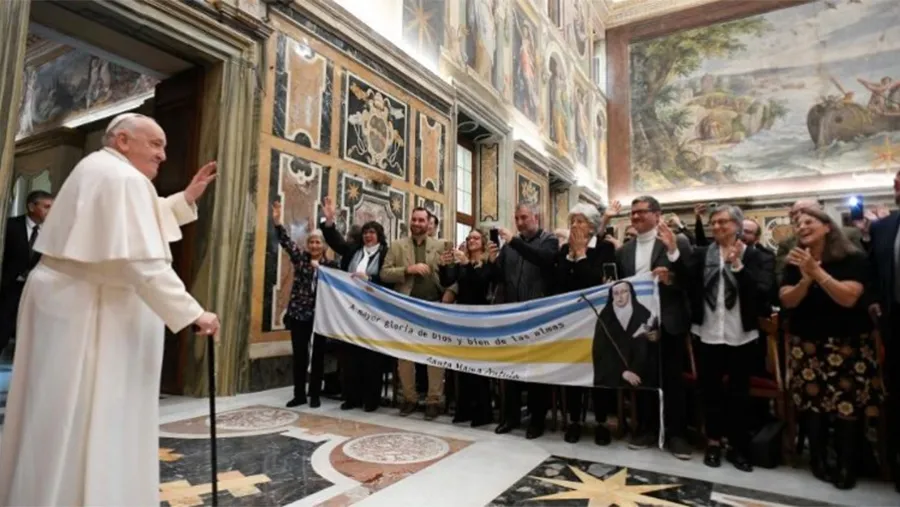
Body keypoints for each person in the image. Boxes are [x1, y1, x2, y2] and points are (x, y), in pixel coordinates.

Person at [0, 113, 220, 506]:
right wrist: (193, 313)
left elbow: (135, 223)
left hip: (70, 302)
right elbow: (141, 261)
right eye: (156, 144)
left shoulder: (100, 169)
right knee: (86, 413)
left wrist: (185, 199)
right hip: (85, 312)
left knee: (58, 410)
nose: (163, 155)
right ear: (122, 140)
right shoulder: (122, 178)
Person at [780, 207, 879, 490]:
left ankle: (847, 466)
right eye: (798, 224)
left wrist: (817, 272)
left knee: (847, 405)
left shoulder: (853, 258)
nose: (802, 227)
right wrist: (805, 278)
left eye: (809, 222)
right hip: (807, 344)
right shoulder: (794, 261)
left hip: (847, 344)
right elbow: (787, 300)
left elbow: (848, 298)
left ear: (827, 227)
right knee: (814, 405)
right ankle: (819, 461)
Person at [685, 205, 772, 472]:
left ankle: (738, 447)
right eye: (714, 222)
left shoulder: (756, 257)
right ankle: (713, 442)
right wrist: (674, 255)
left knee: (739, 395)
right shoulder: (703, 254)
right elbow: (687, 280)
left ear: (737, 225)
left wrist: (737, 266)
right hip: (708, 332)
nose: (718, 227)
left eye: (723, 222)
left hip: (740, 334)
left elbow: (763, 292)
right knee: (710, 392)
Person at [614, 195, 693, 458]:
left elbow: (691, 279)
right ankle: (647, 428)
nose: (635, 217)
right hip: (640, 325)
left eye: (641, 212)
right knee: (644, 379)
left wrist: (671, 274)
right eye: (632, 213)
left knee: (672, 380)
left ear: (657, 215)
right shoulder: (624, 250)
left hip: (669, 321)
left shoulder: (676, 242)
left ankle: (677, 434)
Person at [488, 202, 559, 439]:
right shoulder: (509, 248)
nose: (519, 223)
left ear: (535, 217)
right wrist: (492, 261)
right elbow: (501, 278)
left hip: (538, 316)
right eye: (516, 218)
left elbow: (544, 260)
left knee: (537, 370)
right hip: (513, 315)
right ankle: (510, 417)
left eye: (524, 218)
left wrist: (514, 242)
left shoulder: (548, 240)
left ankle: (537, 419)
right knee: (512, 368)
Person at [553, 204, 617, 445]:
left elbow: (597, 284)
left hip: (598, 321)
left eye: (580, 221)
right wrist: (571, 257)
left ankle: (601, 422)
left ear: (592, 226)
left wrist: (580, 255)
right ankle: (574, 421)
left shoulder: (604, 249)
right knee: (574, 372)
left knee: (598, 374)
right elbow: (559, 285)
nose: (575, 226)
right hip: (571, 323)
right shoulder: (562, 253)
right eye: (572, 222)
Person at [319, 196, 390, 412]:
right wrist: (329, 220)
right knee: (350, 356)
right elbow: (335, 241)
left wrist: (370, 280)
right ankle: (351, 397)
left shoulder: (387, 254)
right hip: (350, 310)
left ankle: (371, 399)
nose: (368, 235)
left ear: (379, 236)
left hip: (374, 311)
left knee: (371, 357)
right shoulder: (353, 251)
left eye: (372, 232)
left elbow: (389, 278)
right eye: (366, 232)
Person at [380, 207, 447, 419]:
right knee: (405, 355)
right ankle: (409, 398)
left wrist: (449, 292)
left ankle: (434, 400)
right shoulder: (397, 246)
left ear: (429, 224)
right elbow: (384, 273)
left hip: (434, 307)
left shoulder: (441, 245)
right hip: (406, 307)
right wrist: (407, 270)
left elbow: (451, 275)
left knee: (434, 355)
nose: (417, 223)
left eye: (422, 220)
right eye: (414, 219)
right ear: (410, 222)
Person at [272, 202, 337, 408]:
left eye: (318, 243)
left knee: (317, 355)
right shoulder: (301, 259)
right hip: (299, 314)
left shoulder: (331, 267)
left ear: (324, 246)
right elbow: (286, 242)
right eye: (312, 243)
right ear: (308, 245)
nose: (315, 246)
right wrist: (277, 222)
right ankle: (299, 393)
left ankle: (315, 394)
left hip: (320, 316)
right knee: (299, 355)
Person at [866, 169, 900, 491]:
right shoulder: (884, 227)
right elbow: (874, 271)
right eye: (896, 184)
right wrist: (875, 300)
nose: (896, 188)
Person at [439, 228, 493, 427]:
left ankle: (482, 412)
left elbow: (480, 283)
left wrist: (467, 264)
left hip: (481, 317)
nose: (471, 241)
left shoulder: (487, 262)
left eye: (476, 238)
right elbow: (448, 282)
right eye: (469, 238)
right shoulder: (463, 262)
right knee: (462, 366)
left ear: (483, 242)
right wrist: (444, 266)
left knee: (478, 367)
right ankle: (464, 409)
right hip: (462, 317)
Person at [0, 190, 53, 356]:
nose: (51, 211)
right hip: (9, 288)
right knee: (2, 330)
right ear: (31, 206)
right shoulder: (9, 226)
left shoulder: (53, 232)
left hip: (37, 291)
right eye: (46, 207)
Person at [593, 281, 654, 389]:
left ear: (630, 293)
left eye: (624, 292)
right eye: (616, 293)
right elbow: (601, 351)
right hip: (612, 374)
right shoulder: (605, 317)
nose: (620, 296)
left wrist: (635, 371)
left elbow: (647, 349)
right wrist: (622, 373)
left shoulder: (643, 314)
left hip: (641, 373)